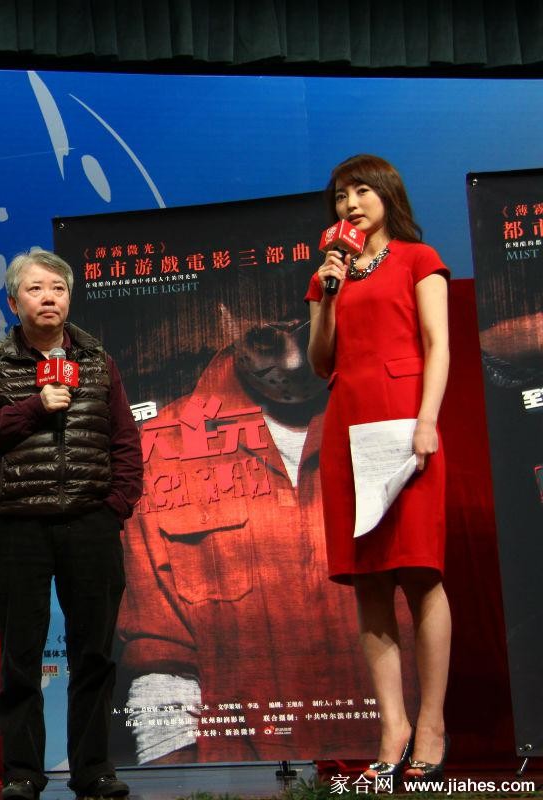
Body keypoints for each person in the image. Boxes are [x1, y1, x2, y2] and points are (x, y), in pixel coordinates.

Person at [116, 299, 404, 764]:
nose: (291, 362)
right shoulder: (162, 446)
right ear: (227, 319)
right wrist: (180, 784)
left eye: (306, 332)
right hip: (240, 777)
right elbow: (159, 658)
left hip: (401, 768)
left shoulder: (394, 419)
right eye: (266, 340)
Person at [0, 250, 143, 800]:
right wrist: (37, 407)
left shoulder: (97, 360)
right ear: (14, 301)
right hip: (20, 526)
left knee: (94, 654)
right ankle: (22, 773)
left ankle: (94, 770)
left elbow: (125, 441)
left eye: (58, 289)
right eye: (36, 289)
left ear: (69, 299)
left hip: (90, 522)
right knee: (21, 655)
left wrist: (115, 505)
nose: (48, 298)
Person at [307, 154, 452, 783]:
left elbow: (437, 344)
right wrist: (328, 292)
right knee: (368, 582)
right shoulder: (328, 273)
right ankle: (392, 729)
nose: (351, 204)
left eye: (362, 191)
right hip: (348, 427)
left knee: (420, 574)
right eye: (342, 196)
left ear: (388, 195)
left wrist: (427, 419)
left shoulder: (420, 259)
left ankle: (432, 726)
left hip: (407, 422)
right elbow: (320, 361)